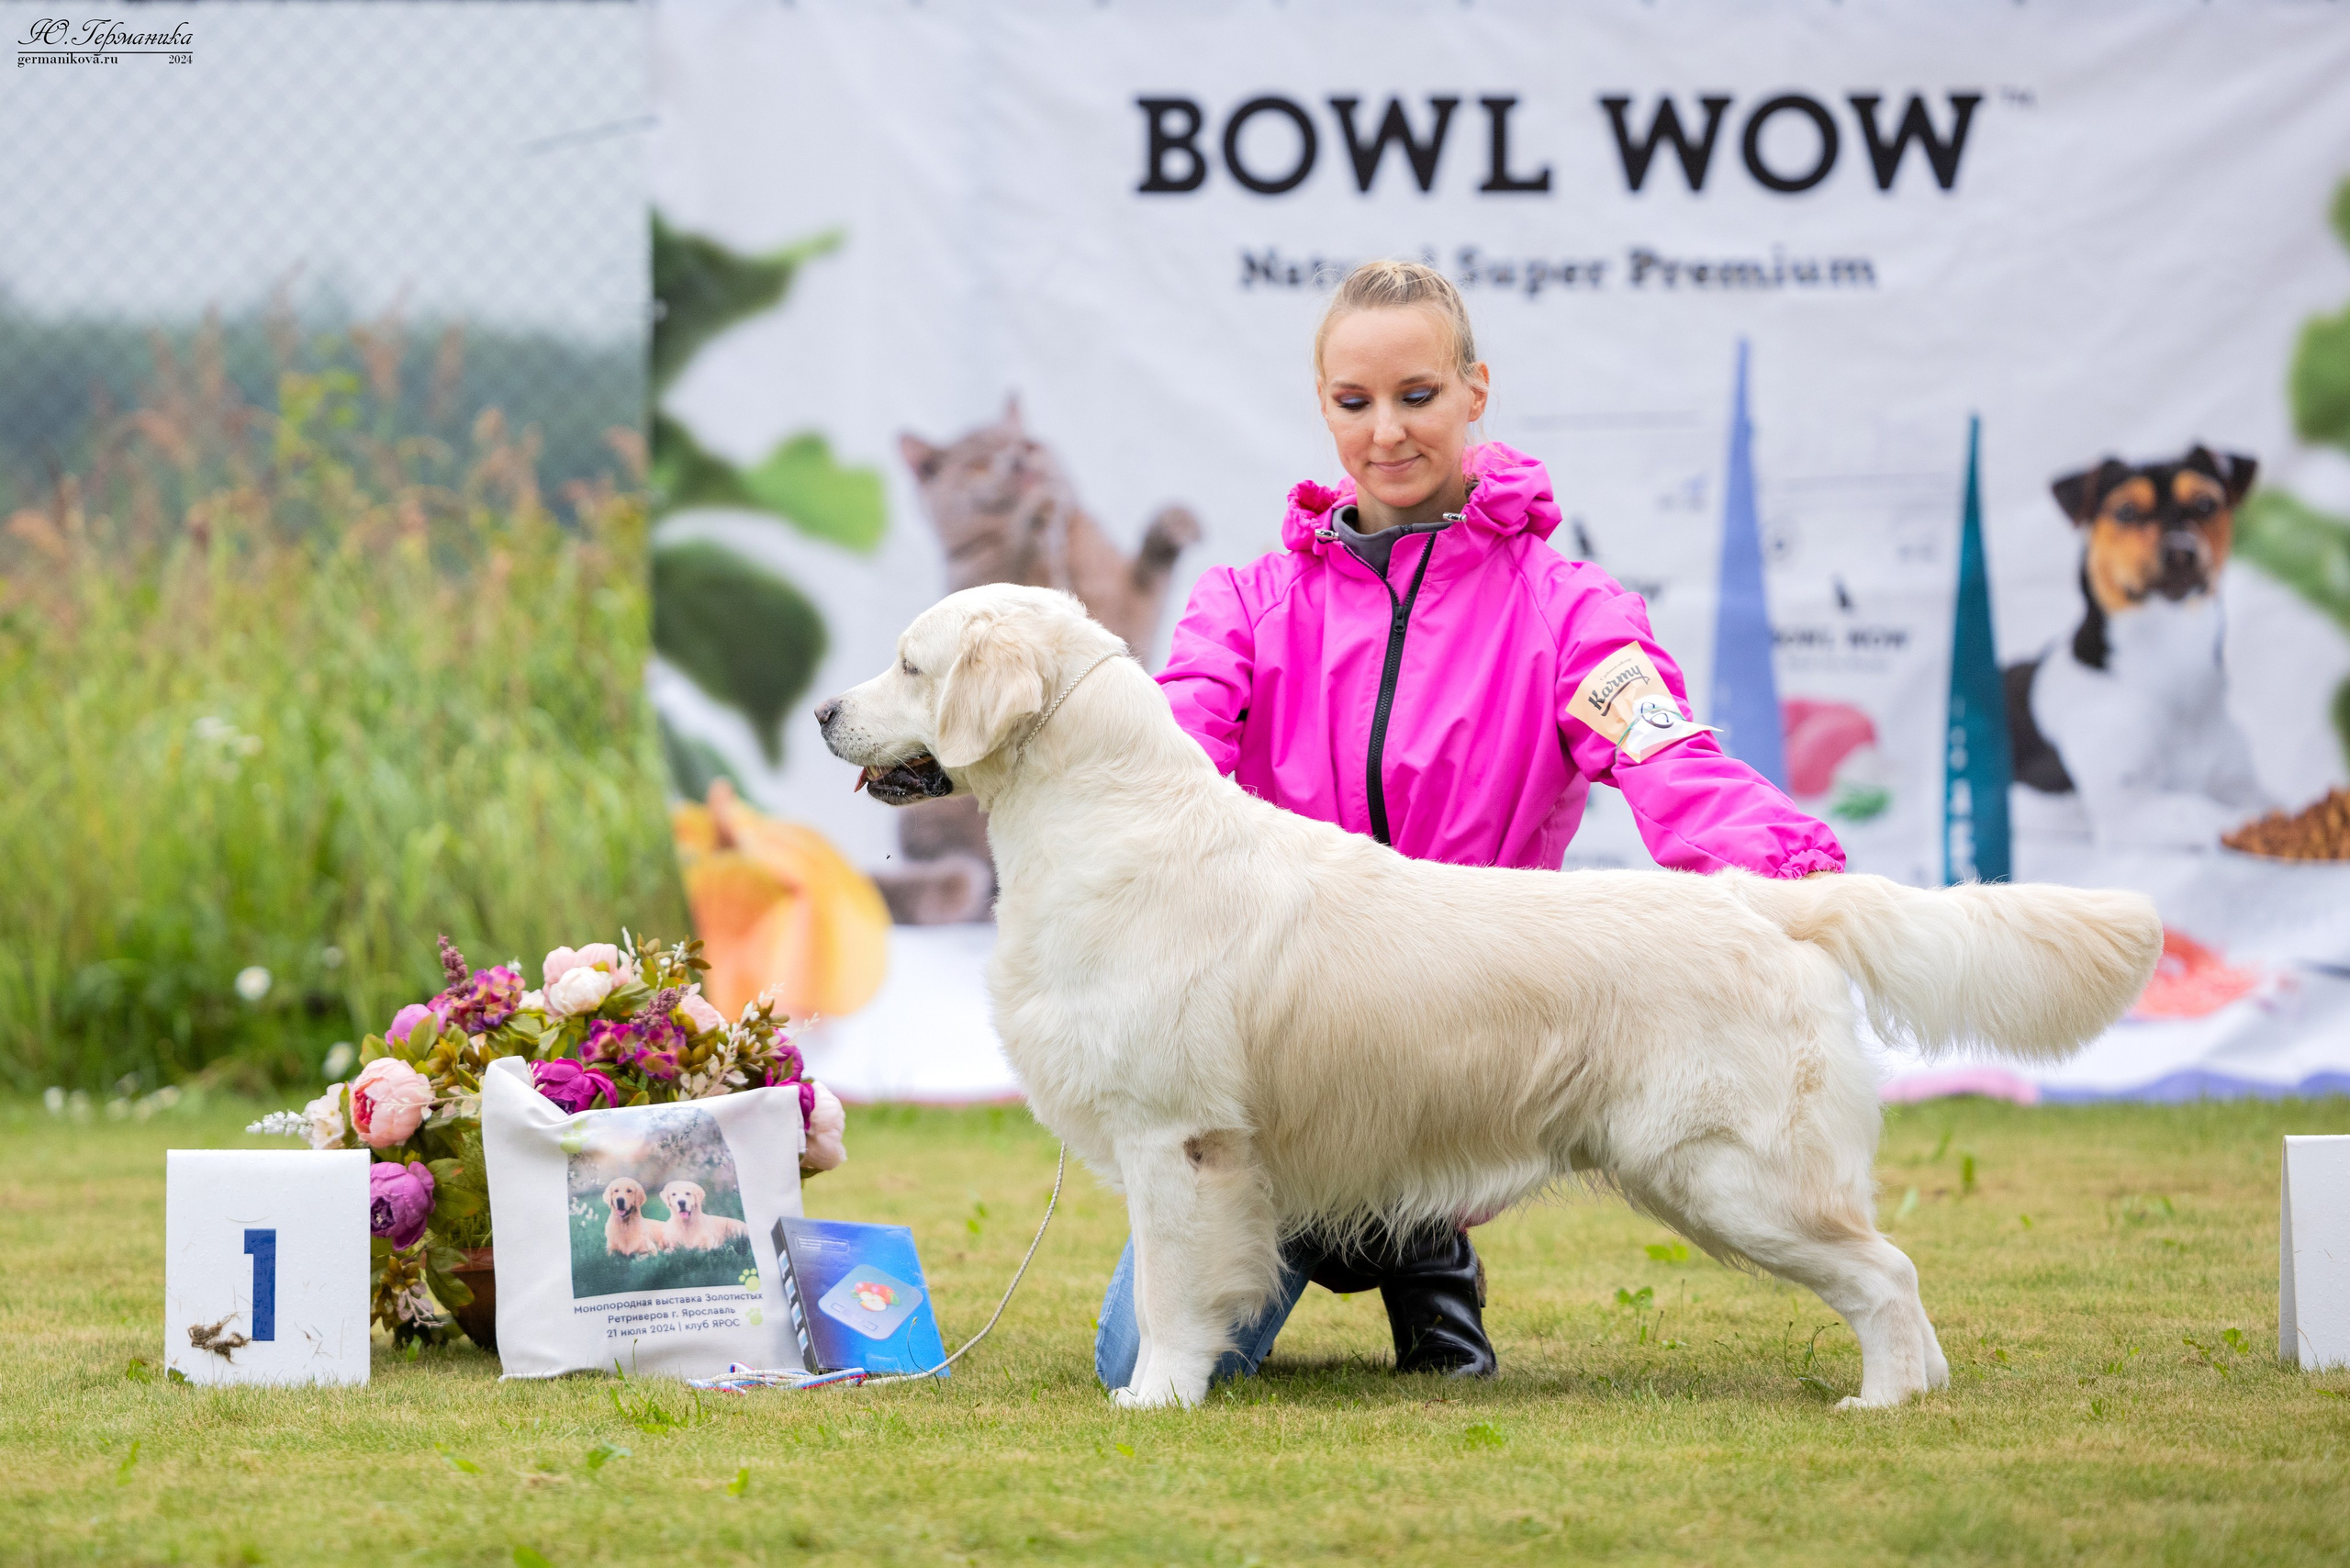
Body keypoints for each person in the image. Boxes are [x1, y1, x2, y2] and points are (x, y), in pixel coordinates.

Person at [1092, 259, 1846, 1392]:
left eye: (1418, 395)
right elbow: (1166, 766)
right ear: (1323, 405)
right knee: (1124, 1362)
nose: (1386, 431)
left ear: (1474, 390)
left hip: (1468, 1059)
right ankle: (1381, 1235)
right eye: (1354, 403)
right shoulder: (1240, 606)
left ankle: (1427, 1241)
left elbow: (1664, 760)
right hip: (1289, 1061)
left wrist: (1803, 880)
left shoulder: (1568, 609)